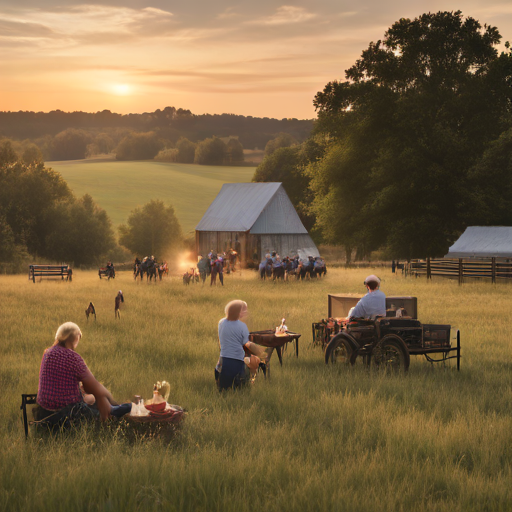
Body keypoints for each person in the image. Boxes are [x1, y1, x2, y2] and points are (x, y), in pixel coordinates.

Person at [35, 322, 131, 427]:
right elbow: (96, 387)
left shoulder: (47, 353)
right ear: (74, 338)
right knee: (102, 405)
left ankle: (114, 409)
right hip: (67, 413)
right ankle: (119, 410)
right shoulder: (72, 357)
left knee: (92, 398)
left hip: (45, 411)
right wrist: (112, 400)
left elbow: (58, 381)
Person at [215, 301, 260, 391]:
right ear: (237, 312)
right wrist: (260, 352)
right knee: (243, 389)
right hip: (236, 365)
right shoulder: (242, 326)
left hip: (221, 364)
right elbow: (247, 344)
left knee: (223, 392)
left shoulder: (221, 322)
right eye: (243, 310)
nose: (246, 312)